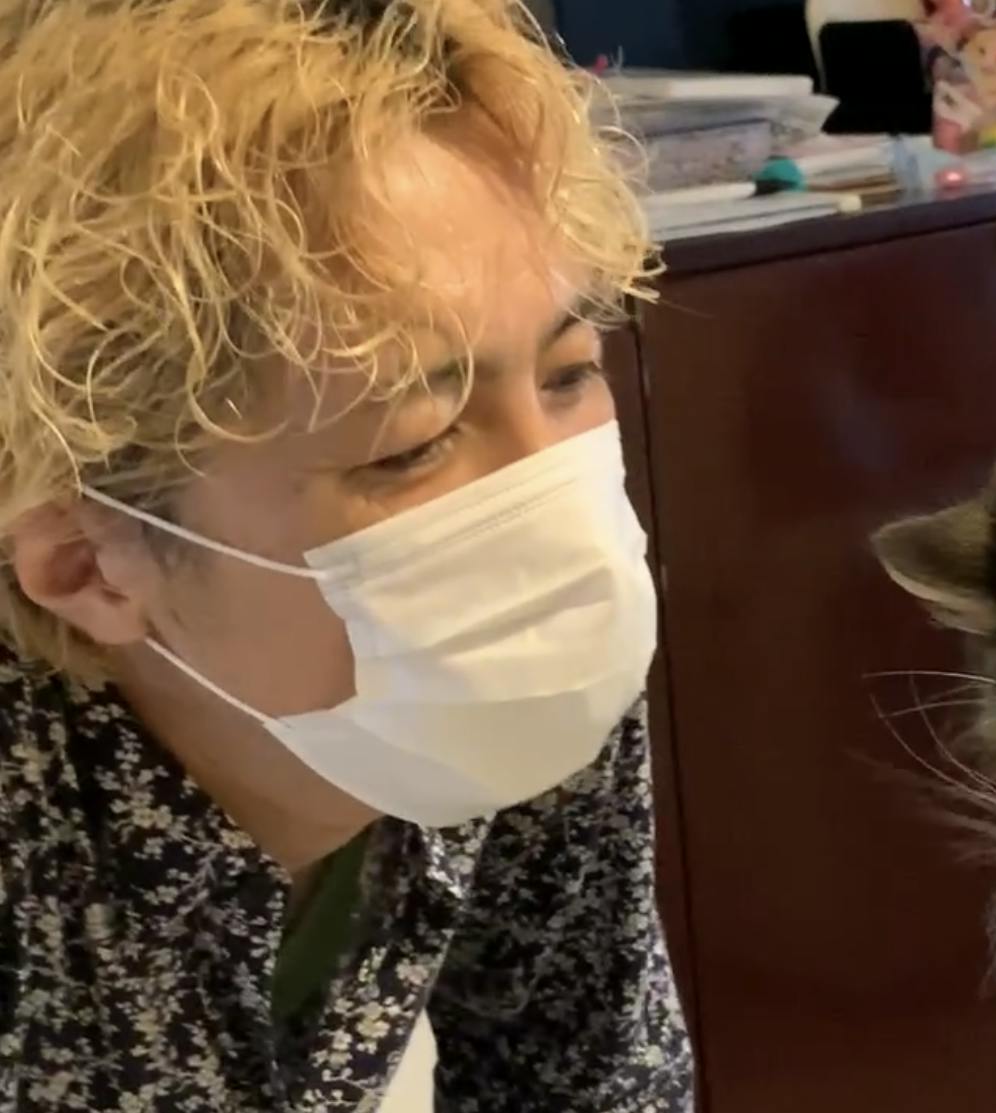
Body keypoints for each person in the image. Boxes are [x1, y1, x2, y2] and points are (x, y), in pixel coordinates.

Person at [0, 0, 693, 1108]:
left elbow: (591, 1074)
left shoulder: (517, 663)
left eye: (567, 374)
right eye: (410, 448)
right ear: (88, 563)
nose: (549, 509)